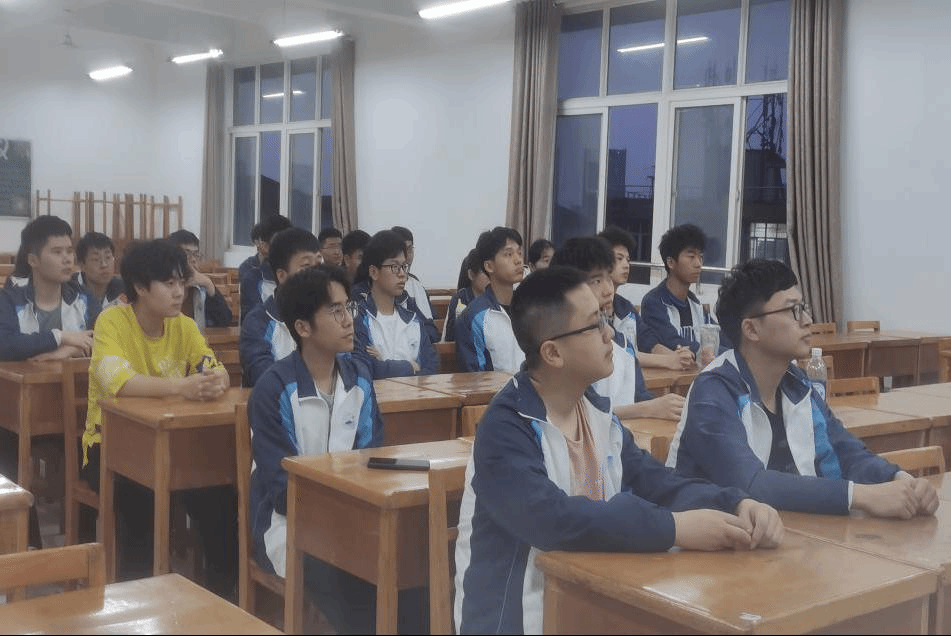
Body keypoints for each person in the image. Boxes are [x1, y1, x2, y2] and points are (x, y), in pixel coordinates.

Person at [453, 266, 784, 634]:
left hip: (589, 603)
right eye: (594, 324)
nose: (609, 333)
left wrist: (735, 503)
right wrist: (673, 528)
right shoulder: (507, 426)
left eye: (604, 318)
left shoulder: (594, 410)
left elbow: (655, 481)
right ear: (553, 352)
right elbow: (552, 520)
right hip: (517, 620)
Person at [667, 258, 939, 519]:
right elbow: (750, 484)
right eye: (793, 310)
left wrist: (900, 480)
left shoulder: (797, 384)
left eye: (804, 307)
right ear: (751, 329)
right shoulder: (713, 392)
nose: (807, 319)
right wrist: (862, 496)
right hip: (708, 543)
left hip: (785, 532)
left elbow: (844, 451)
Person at [82, 239, 235, 594]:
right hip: (109, 446)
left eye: (181, 282)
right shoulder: (112, 321)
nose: (179, 292)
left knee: (220, 495)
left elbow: (216, 369)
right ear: (139, 287)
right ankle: (136, 598)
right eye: (168, 283)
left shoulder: (184, 326)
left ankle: (222, 598)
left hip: (173, 444)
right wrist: (183, 387)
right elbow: (118, 382)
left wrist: (215, 381)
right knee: (140, 498)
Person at [249, 266, 390, 634]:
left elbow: (371, 461)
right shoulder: (273, 389)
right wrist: (340, 524)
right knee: (344, 577)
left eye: (349, 308)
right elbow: (281, 490)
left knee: (406, 565)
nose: (349, 320)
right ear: (303, 327)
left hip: (351, 517)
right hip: (286, 525)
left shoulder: (359, 378)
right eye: (335, 311)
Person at [551, 237, 685, 420]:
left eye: (608, 278)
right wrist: (646, 409)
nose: (608, 290)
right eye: (596, 281)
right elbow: (580, 415)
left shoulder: (623, 346)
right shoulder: (562, 350)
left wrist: (657, 406)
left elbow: (641, 397)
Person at [0, 215, 96, 361]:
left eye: (69, 251)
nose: (67, 259)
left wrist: (63, 352)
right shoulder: (10, 299)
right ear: (33, 260)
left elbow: (105, 339)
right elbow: (4, 344)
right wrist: (59, 336)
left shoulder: (83, 298)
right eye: (57, 252)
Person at [598, 226, 694, 372]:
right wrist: (668, 360)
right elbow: (619, 351)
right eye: (619, 259)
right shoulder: (591, 308)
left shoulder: (625, 307)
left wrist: (678, 357)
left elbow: (649, 341)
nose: (626, 265)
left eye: (628, 260)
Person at [240, 228, 322, 387]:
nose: (317, 273)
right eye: (306, 266)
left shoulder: (328, 315)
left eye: (319, 264)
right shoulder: (259, 322)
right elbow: (265, 378)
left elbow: (349, 366)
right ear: (282, 276)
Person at [353, 230, 438, 378]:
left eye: (404, 266)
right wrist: (409, 366)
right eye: (394, 267)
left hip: (415, 393)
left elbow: (432, 368)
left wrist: (384, 362)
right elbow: (366, 368)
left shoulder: (413, 321)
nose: (402, 274)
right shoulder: (358, 319)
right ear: (374, 272)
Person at [637, 223, 726, 366]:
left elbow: (715, 335)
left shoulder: (695, 303)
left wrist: (736, 351)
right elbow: (672, 341)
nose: (698, 264)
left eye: (700, 257)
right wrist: (713, 352)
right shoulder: (653, 302)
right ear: (671, 263)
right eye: (691, 256)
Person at [455, 226, 525, 372]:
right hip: (496, 388)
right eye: (508, 254)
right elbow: (474, 377)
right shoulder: (472, 317)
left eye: (519, 253)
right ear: (489, 266)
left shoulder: (530, 308)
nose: (518, 260)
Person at [167, 229, 232, 329]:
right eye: (187, 254)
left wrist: (209, 285)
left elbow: (225, 321)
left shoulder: (201, 287)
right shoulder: (162, 287)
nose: (193, 259)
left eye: (196, 254)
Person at [239, 214, 292, 321]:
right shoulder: (252, 278)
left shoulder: (299, 274)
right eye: (280, 243)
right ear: (266, 246)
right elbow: (256, 320)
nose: (286, 249)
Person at [390, 225, 438, 340]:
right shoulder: (388, 288)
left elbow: (432, 327)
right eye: (403, 250)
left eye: (410, 249)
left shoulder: (417, 284)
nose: (408, 256)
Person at [443, 248, 488, 343]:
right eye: (484, 272)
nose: (490, 277)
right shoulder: (459, 299)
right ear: (471, 275)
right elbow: (450, 337)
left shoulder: (496, 298)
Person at [74, 231, 125, 312]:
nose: (104, 265)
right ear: (82, 265)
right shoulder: (68, 289)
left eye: (108, 257)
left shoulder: (124, 289)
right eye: (96, 259)